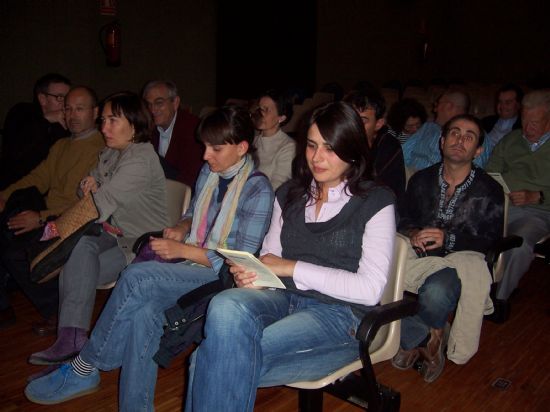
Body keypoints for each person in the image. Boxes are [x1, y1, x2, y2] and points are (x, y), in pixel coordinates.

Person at [24, 105, 274, 409]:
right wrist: (182, 227)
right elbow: (194, 211)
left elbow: (242, 260)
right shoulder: (211, 171)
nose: (205, 155)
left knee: (136, 276)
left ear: (242, 147)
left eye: (215, 148)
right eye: (205, 146)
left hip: (223, 279)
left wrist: (184, 250)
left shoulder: (257, 188)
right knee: (144, 314)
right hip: (192, 264)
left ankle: (85, 365)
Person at [186, 101, 396, 411]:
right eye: (311, 145)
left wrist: (291, 267)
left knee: (211, 359)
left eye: (330, 147)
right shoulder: (289, 195)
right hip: (284, 299)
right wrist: (253, 274)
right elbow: (272, 260)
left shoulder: (376, 201)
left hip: (341, 316)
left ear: (352, 149)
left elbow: (369, 290)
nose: (317, 157)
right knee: (226, 304)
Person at [27, 92, 168, 365]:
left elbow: (99, 203)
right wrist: (87, 189)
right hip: (110, 232)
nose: (104, 128)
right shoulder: (111, 153)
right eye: (103, 120)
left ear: (136, 123)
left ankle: (73, 338)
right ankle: (73, 338)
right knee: (78, 251)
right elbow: (89, 196)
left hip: (139, 243)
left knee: (75, 263)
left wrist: (56, 226)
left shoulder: (140, 159)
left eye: (113, 121)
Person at [393, 114, 504, 382]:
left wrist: (449, 239)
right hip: (421, 254)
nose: (459, 140)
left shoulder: (489, 190)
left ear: (478, 150)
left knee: (437, 293)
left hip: (462, 259)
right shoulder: (421, 180)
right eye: (454, 133)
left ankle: (425, 342)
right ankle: (428, 332)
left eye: (469, 137)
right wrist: (414, 232)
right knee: (377, 273)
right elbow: (404, 218)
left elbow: (490, 241)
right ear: (442, 142)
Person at [0, 86, 105, 332]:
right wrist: (5, 194)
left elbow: (88, 204)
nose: (72, 115)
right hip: (49, 216)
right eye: (68, 108)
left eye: (80, 109)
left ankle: (57, 311)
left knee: (15, 252)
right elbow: (39, 177)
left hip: (74, 221)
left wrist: (40, 219)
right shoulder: (62, 145)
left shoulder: (102, 148)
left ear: (95, 111)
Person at [486, 89, 550, 301]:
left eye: (535, 123)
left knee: (519, 245)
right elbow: (489, 172)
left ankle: (498, 299)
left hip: (536, 213)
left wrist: (538, 196)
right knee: (466, 229)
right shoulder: (511, 140)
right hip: (501, 205)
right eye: (524, 120)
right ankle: (470, 287)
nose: (527, 128)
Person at [0, 73, 71, 190]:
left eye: (68, 98)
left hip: (42, 190)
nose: (66, 104)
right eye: (60, 97)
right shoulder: (22, 112)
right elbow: (16, 151)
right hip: (10, 186)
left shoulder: (63, 125)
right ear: (42, 99)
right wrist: (45, 119)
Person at [344, 88, 406, 214]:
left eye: (362, 120)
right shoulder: (332, 142)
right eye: (350, 117)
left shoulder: (388, 148)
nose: (353, 124)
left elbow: (390, 197)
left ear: (378, 124)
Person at [402, 90, 493, 171]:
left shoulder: (477, 134)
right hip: (411, 178)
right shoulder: (427, 127)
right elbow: (402, 155)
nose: (434, 109)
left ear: (448, 106)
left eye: (437, 104)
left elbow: (475, 170)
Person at [142, 80, 202, 187]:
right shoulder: (150, 128)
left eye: (159, 102)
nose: (152, 109)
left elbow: (190, 179)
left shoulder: (193, 130)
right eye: (148, 105)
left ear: (175, 103)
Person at [252, 89, 296, 190]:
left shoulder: (288, 146)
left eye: (265, 110)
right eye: (259, 108)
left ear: (281, 118)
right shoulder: (252, 141)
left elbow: (277, 188)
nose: (259, 113)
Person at [482, 84, 523, 149]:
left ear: (518, 105)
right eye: (499, 102)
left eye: (508, 102)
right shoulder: (486, 122)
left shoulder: (523, 127)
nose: (502, 106)